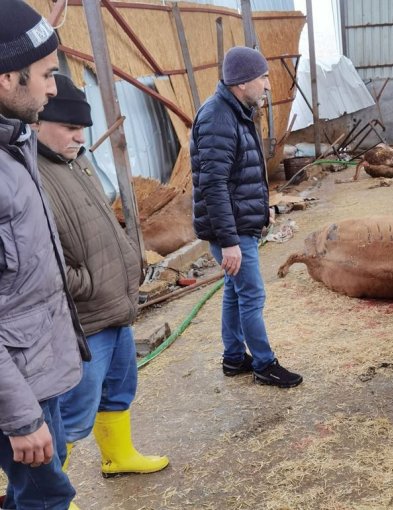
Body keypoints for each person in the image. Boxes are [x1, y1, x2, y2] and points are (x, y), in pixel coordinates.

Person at [35, 74, 170, 479]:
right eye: (70, 128)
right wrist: (87, 284)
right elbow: (40, 259)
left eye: (83, 128)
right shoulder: (29, 173)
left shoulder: (74, 162)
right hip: (84, 319)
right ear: (37, 122)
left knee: (117, 391)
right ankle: (51, 498)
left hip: (114, 306)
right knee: (73, 413)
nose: (80, 137)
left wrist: (129, 257)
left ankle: (118, 456)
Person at [0, 1, 90, 508]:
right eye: (47, 74)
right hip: (16, 388)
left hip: (37, 369)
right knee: (45, 500)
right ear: (6, 79)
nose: (55, 88)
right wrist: (19, 417)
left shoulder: (15, 146)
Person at [191, 46, 302, 388]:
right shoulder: (218, 117)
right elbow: (213, 184)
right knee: (251, 295)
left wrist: (263, 204)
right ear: (242, 82)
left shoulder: (235, 111)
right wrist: (228, 241)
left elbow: (243, 173)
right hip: (232, 230)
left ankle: (234, 358)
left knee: (235, 291)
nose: (268, 85)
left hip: (240, 223)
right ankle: (265, 365)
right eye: (263, 77)